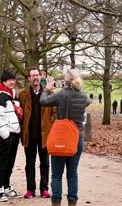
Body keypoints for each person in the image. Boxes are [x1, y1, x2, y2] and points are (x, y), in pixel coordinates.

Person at [40, 69, 90, 206]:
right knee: (72, 173)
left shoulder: (61, 94)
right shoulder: (84, 96)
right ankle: (72, 202)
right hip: (77, 137)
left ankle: (56, 202)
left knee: (56, 174)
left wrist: (47, 88)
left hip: (61, 138)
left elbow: (43, 101)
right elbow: (88, 102)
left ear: (66, 81)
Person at [19, 68, 56, 199]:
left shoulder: (49, 93)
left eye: (37, 75)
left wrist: (50, 124)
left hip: (45, 134)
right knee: (30, 163)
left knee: (45, 162)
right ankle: (30, 189)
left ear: (40, 77)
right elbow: (19, 113)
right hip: (29, 134)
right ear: (29, 78)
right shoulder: (22, 93)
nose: (35, 78)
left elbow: (54, 112)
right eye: (33, 76)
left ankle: (44, 189)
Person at [0, 70, 22, 202]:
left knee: (10, 162)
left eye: (13, 79)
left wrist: (15, 132)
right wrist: (6, 135)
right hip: (6, 135)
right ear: (3, 82)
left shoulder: (12, 96)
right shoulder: (0, 97)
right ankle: (0, 189)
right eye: (9, 80)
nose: (12, 82)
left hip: (14, 134)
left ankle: (7, 186)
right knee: (3, 161)